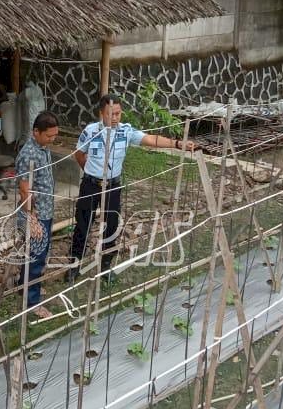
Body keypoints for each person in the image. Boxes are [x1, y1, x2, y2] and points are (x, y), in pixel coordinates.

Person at [67, 93, 197, 283]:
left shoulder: (125, 132)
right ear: (101, 113)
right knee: (83, 224)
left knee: (111, 226)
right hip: (91, 185)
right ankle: (74, 266)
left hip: (113, 187)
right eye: (111, 114)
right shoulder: (90, 131)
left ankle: (105, 267)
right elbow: (79, 154)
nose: (115, 118)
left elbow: (151, 139)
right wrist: (90, 174)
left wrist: (177, 144)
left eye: (118, 114)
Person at [15, 111, 59, 319]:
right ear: (36, 132)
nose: (52, 139)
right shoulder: (29, 154)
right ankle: (32, 302)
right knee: (36, 257)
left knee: (34, 254)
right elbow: (25, 190)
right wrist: (32, 220)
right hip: (35, 213)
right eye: (48, 136)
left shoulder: (42, 148)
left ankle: (24, 286)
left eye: (54, 135)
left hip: (45, 210)